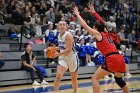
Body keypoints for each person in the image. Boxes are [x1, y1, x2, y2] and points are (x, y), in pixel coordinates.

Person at [73, 4, 129, 93]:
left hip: (112, 58)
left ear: (96, 28)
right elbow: (102, 22)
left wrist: (78, 14)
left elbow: (85, 26)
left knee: (94, 78)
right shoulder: (107, 33)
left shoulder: (99, 34)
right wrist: (94, 12)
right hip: (119, 57)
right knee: (118, 79)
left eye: (94, 27)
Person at [52, 21, 79, 93]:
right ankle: (55, 91)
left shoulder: (68, 35)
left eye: (64, 25)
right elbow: (62, 47)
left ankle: (75, 91)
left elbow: (69, 49)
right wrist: (54, 49)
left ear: (66, 27)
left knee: (73, 78)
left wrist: (57, 54)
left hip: (71, 57)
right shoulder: (59, 35)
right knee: (58, 75)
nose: (62, 26)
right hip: (63, 57)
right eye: (60, 24)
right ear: (58, 27)